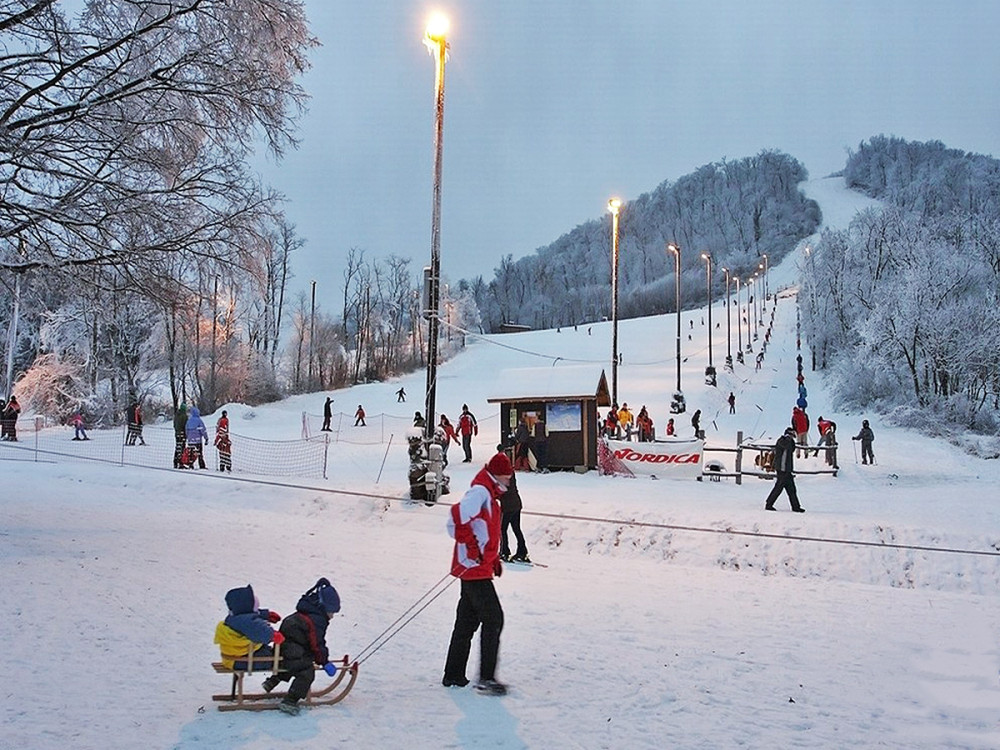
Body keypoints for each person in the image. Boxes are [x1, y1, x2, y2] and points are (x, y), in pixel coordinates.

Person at [443, 451, 512, 696]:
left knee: (467, 622)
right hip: (473, 567)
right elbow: (456, 518)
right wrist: (471, 546)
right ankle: (486, 679)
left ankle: (453, 675)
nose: (508, 482)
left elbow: (484, 530)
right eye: (506, 477)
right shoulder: (481, 492)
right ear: (497, 475)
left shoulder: (489, 494)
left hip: (478, 566)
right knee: (494, 618)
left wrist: (493, 559)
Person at [266, 577, 342, 716]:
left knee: (298, 661)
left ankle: (273, 680)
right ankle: (290, 701)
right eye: (331, 612)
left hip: (286, 649)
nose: (332, 616)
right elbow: (317, 643)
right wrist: (324, 662)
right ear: (323, 607)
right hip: (293, 649)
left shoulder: (307, 611)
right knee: (306, 671)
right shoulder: (317, 620)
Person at [213, 584, 284, 671]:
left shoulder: (235, 617)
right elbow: (259, 630)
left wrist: (266, 615)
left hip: (232, 657)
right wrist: (272, 635)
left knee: (266, 650)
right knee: (271, 658)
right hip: (240, 660)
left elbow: (251, 616)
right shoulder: (247, 622)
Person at [498, 450, 529, 563]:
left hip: (508, 506)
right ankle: (522, 551)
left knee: (502, 529)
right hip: (516, 503)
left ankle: (504, 552)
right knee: (516, 528)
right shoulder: (510, 471)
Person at [764, 427, 805, 513]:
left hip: (787, 469)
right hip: (782, 469)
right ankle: (769, 504)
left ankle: (796, 506)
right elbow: (787, 446)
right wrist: (788, 439)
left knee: (791, 489)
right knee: (779, 488)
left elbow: (792, 448)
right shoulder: (782, 441)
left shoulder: (789, 442)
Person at [172, 403, 188, 468]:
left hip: (177, 433)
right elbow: (185, 425)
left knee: (177, 447)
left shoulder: (176, 415)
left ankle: (175, 461)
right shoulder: (184, 416)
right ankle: (181, 462)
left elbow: (174, 424)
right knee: (182, 448)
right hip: (182, 433)